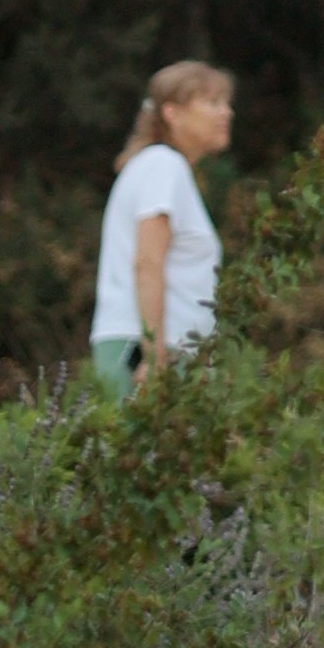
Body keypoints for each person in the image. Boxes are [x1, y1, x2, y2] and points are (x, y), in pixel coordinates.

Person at [88, 61, 233, 398]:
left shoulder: (163, 168)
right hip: (147, 350)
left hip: (163, 347)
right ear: (172, 113)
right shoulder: (163, 166)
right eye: (212, 103)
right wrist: (154, 360)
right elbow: (148, 262)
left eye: (226, 103)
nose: (226, 113)